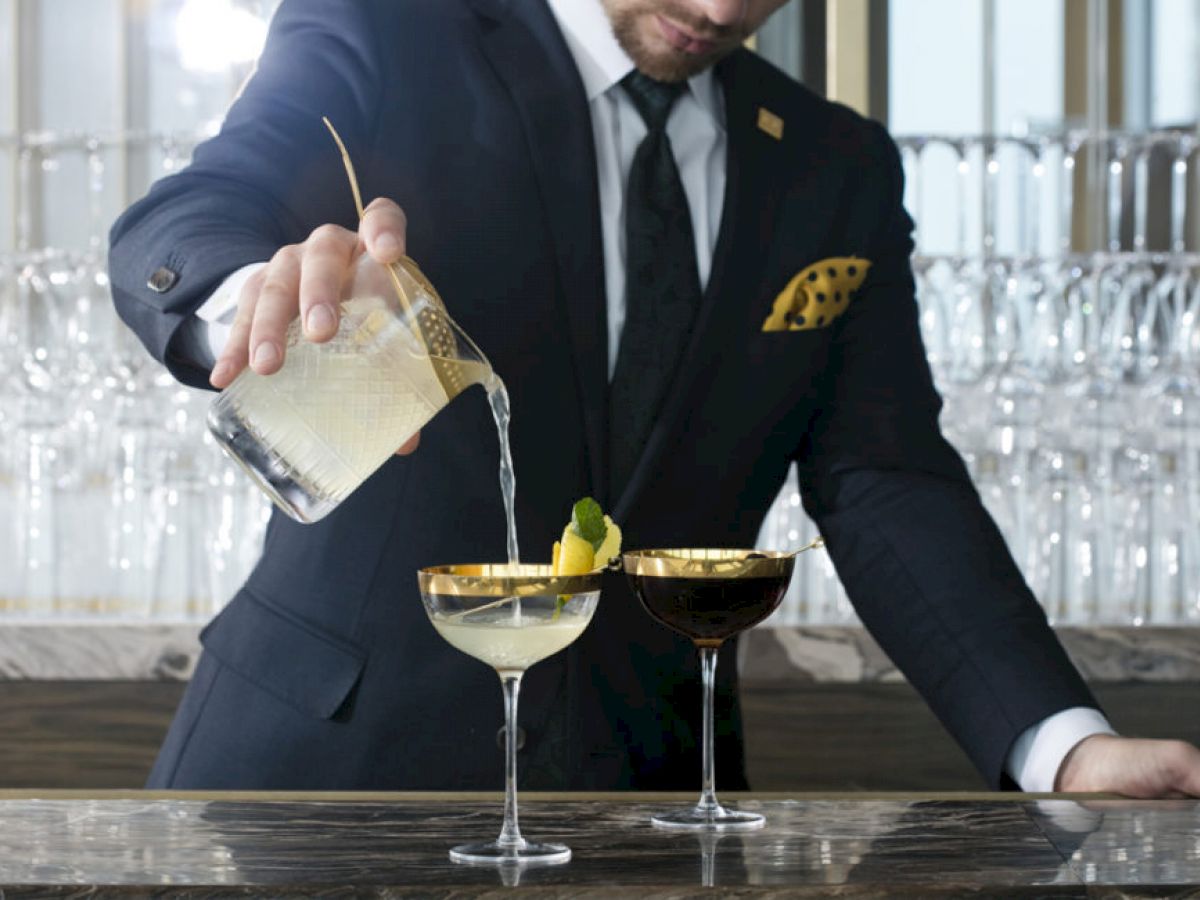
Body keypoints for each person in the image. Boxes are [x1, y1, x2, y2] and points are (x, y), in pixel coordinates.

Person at [109, 0, 1200, 796]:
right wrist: (254, 293)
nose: (723, 10)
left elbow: (884, 480)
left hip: (653, 793)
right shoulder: (393, 31)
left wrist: (1064, 744)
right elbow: (199, 208)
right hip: (321, 779)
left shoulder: (835, 166)